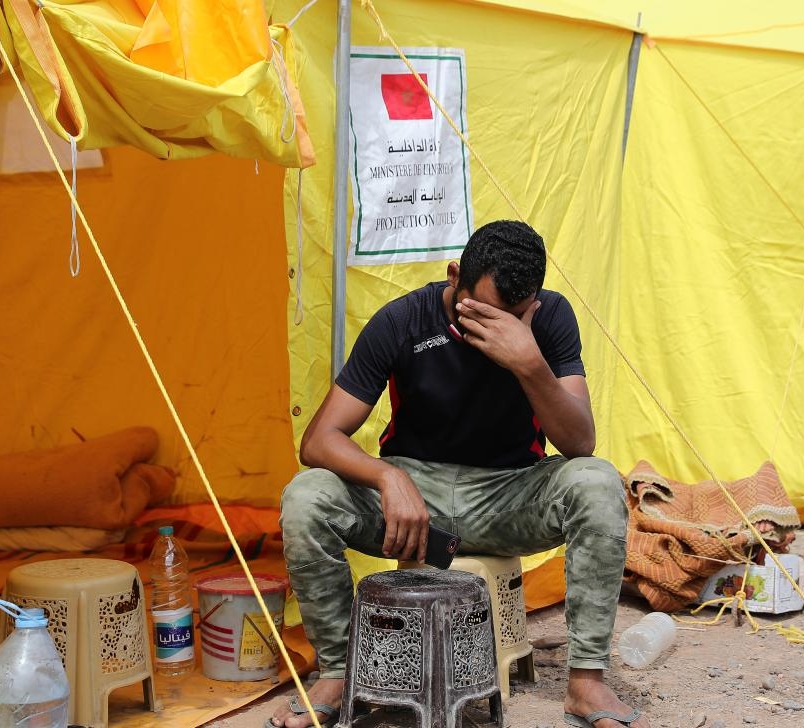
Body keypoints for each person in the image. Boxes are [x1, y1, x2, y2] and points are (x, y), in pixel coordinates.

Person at [271, 220, 647, 728]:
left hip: (509, 493)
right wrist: (388, 478)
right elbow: (318, 440)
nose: (497, 328)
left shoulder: (551, 318)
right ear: (454, 277)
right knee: (306, 497)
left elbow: (579, 443)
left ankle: (586, 682)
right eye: (483, 312)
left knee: (597, 482)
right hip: (412, 501)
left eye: (513, 317)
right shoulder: (403, 320)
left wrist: (529, 362)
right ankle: (338, 670)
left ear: (533, 302)